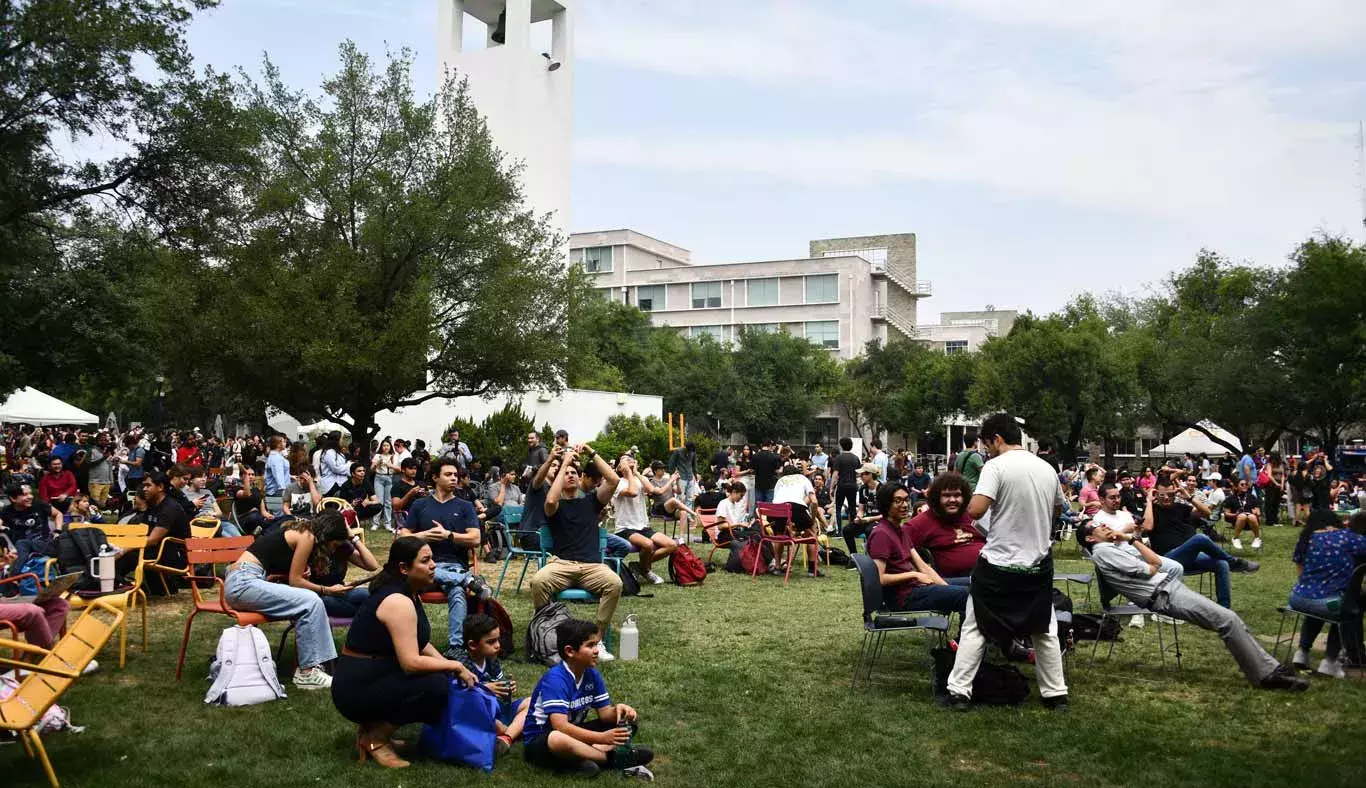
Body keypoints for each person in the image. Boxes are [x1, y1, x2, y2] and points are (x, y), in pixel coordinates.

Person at [1080, 522, 1307, 691]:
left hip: (1168, 589)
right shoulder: (1104, 551)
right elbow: (1155, 565)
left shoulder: (1107, 549)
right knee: (1227, 620)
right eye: (1096, 526)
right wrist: (1130, 539)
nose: (1104, 525)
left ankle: (1270, 668)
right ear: (1090, 539)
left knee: (1229, 619)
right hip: (1165, 595)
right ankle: (1267, 675)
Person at [943, 413, 1069, 712]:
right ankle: (1056, 695)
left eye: (987, 445)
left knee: (975, 627)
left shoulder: (995, 466)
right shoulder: (1047, 468)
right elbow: (1056, 509)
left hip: (998, 564)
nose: (987, 451)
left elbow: (975, 511)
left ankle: (959, 692)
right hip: (1036, 563)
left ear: (996, 439)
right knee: (1044, 629)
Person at [332, 536, 479, 769]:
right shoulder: (397, 601)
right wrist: (455, 666)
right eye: (425, 560)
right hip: (355, 688)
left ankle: (374, 727)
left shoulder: (410, 592)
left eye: (433, 559)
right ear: (403, 568)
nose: (433, 565)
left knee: (443, 677)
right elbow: (411, 663)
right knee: (435, 687)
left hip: (373, 676)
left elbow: (420, 643)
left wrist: (451, 667)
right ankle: (375, 738)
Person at [224, 513, 354, 689]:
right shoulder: (307, 536)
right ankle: (307, 673)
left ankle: (315, 666)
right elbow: (296, 581)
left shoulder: (301, 531)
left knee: (310, 601)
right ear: (328, 535)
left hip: (247, 580)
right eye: (335, 545)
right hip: (243, 582)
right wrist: (328, 590)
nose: (333, 550)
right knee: (311, 601)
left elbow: (283, 571)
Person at [522, 618, 654, 778]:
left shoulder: (591, 673)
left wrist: (619, 710)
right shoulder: (556, 679)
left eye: (597, 644)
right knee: (557, 738)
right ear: (570, 651)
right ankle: (610, 759)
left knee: (626, 723)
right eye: (590, 645)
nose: (597, 650)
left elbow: (605, 715)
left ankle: (584, 758)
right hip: (542, 742)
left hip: (573, 733)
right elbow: (560, 726)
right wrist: (603, 738)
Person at [532, 444, 623, 660]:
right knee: (538, 581)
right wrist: (564, 463)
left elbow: (614, 480)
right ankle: (549, 635)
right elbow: (551, 500)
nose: (570, 475)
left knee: (615, 583)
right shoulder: (553, 506)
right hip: (561, 564)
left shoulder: (591, 502)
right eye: (567, 473)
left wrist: (591, 452)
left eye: (574, 472)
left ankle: (597, 641)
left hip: (591, 566)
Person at [398, 457, 491, 659]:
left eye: (456, 475)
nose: (454, 479)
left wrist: (448, 535)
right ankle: (468, 580)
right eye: (448, 474)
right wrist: (422, 536)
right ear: (435, 477)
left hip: (452, 565)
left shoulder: (465, 506)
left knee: (456, 591)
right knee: (459, 583)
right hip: (422, 569)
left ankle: (456, 647)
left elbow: (475, 538)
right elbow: (402, 537)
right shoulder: (420, 505)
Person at [1142, 477, 1258, 608]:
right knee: (1200, 538)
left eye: (1171, 494)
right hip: (1168, 559)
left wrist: (1189, 497)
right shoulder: (1152, 510)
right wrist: (1149, 501)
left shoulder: (1181, 507)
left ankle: (1224, 609)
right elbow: (1147, 527)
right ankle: (1235, 563)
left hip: (1191, 556)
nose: (1167, 498)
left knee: (1222, 563)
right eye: (1162, 495)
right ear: (1156, 493)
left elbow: (1207, 513)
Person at [865, 482, 968, 614]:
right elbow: (879, 578)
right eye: (898, 501)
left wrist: (945, 587)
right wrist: (914, 575)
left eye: (906, 500)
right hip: (903, 597)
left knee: (973, 584)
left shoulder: (900, 530)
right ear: (886, 504)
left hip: (917, 587)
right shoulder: (881, 534)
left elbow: (922, 566)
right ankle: (966, 635)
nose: (904, 505)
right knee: (965, 594)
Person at [1289, 511, 1366, 678]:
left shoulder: (1315, 536)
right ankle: (1330, 661)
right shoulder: (1353, 540)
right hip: (1328, 603)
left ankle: (1302, 652)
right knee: (1347, 609)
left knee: (1319, 607)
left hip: (1297, 598)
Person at [457, 613, 531, 757]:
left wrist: (506, 688)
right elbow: (459, 697)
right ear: (473, 645)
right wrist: (485, 688)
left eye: (498, 640)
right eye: (491, 642)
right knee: (487, 717)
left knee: (532, 702)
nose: (497, 645)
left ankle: (505, 737)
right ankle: (513, 731)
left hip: (498, 709)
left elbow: (499, 683)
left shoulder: (491, 659)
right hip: (477, 712)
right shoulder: (460, 663)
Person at [905, 472, 985, 584]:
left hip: (988, 572)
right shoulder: (922, 522)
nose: (952, 500)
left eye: (957, 495)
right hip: (952, 583)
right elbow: (898, 543)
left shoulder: (971, 515)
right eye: (946, 495)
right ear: (936, 498)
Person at [612, 455, 676, 586]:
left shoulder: (639, 478)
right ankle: (646, 571)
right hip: (625, 528)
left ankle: (639, 566)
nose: (630, 460)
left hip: (643, 526)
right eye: (625, 459)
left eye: (631, 458)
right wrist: (629, 473)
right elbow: (633, 492)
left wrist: (635, 472)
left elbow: (652, 490)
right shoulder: (617, 482)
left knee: (672, 545)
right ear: (619, 466)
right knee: (648, 545)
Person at [769, 464, 826, 577]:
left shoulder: (780, 481)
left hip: (777, 509)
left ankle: (777, 567)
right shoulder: (803, 479)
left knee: (779, 536)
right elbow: (814, 502)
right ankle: (812, 569)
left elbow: (775, 500)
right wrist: (812, 520)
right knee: (811, 532)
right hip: (796, 507)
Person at [1, 483, 63, 572]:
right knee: (20, 545)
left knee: (22, 543)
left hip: (44, 544)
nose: (30, 497)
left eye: (30, 493)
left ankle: (14, 575)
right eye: (25, 494)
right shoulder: (6, 511)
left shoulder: (38, 504)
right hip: (21, 551)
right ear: (13, 498)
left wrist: (57, 532)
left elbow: (58, 514)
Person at [843, 463, 881, 554]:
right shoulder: (863, 489)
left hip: (880, 520)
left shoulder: (882, 489)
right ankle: (854, 556)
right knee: (847, 530)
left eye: (863, 474)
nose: (861, 476)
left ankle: (873, 558)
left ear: (871, 475)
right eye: (861, 474)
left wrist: (870, 519)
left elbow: (887, 514)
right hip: (866, 519)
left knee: (869, 531)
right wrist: (858, 517)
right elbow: (861, 509)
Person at [233, 467, 281, 536]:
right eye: (248, 474)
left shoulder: (256, 490)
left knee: (280, 519)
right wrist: (246, 480)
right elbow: (247, 494)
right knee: (255, 517)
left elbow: (263, 511)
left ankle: (266, 532)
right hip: (246, 519)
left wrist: (270, 516)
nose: (251, 476)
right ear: (241, 476)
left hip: (259, 517)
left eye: (253, 474)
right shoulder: (237, 488)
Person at [829, 437, 861, 534]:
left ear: (841, 446)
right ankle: (853, 530)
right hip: (853, 485)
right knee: (852, 509)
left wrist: (831, 487)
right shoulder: (856, 458)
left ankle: (839, 531)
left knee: (838, 508)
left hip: (842, 485)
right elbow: (858, 473)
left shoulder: (839, 458)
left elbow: (835, 474)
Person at [1222, 479, 1263, 551]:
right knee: (1242, 516)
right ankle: (1236, 538)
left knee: (1251, 516)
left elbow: (1258, 512)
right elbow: (1226, 513)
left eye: (1246, 484)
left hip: (1251, 522)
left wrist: (1256, 512)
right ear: (1236, 487)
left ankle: (1257, 538)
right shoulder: (1231, 498)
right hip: (1237, 520)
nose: (1245, 486)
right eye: (1242, 484)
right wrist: (1236, 515)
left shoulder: (1251, 497)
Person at [388, 458, 425, 531]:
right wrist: (410, 494)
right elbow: (396, 507)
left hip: (423, 514)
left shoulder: (421, 484)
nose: (414, 471)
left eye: (415, 468)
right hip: (407, 516)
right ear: (403, 470)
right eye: (410, 468)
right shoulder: (397, 486)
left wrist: (426, 496)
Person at [370, 438, 399, 531]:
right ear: (381, 447)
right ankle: (375, 523)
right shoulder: (377, 455)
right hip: (379, 477)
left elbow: (399, 469)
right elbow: (371, 469)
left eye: (387, 445)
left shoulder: (394, 456)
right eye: (384, 445)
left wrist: (389, 465)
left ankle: (388, 524)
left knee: (388, 502)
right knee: (379, 501)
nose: (385, 447)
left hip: (390, 478)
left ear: (390, 446)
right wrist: (377, 463)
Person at [751, 440, 783, 508]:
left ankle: (758, 518)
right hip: (770, 484)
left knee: (758, 505)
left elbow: (752, 470)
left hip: (758, 484)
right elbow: (778, 471)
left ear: (761, 445)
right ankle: (768, 518)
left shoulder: (755, 456)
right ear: (770, 446)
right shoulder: (774, 456)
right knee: (769, 506)